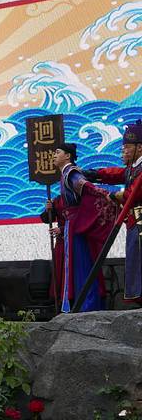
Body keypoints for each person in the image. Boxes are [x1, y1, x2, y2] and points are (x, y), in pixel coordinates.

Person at [41, 143, 116, 312]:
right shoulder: (66, 174)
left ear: (67, 156)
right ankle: (81, 303)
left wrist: (108, 196)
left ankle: (86, 305)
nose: (54, 155)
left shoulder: (71, 173)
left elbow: (87, 187)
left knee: (80, 263)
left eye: (57, 152)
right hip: (72, 224)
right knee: (76, 264)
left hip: (75, 225)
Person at [83, 120, 142, 302]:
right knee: (134, 260)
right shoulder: (133, 168)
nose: (124, 151)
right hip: (133, 221)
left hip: (140, 222)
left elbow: (133, 193)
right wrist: (95, 174)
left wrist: (114, 195)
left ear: (139, 148)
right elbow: (117, 173)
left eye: (127, 147)